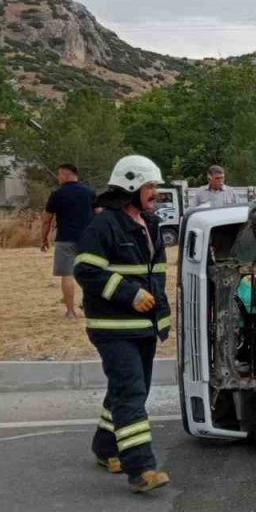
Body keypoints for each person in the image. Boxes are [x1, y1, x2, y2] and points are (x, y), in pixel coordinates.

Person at [73, 155, 173, 494]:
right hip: (113, 326)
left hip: (144, 325)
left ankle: (105, 446)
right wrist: (129, 294)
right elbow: (86, 271)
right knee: (131, 390)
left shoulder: (151, 224)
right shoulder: (104, 226)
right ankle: (141, 468)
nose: (154, 192)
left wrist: (159, 313)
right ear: (130, 186)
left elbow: (154, 277)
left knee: (131, 388)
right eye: (149, 186)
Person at [41, 163, 95, 319]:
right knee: (90, 274)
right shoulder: (90, 192)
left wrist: (44, 238)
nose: (58, 178)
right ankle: (89, 307)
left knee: (67, 274)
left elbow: (46, 220)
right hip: (88, 239)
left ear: (65, 174)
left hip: (65, 239)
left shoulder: (57, 194)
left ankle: (70, 312)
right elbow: (99, 214)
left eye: (59, 174)